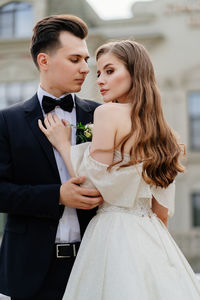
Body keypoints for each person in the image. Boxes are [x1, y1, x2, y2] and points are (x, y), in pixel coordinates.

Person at [39, 40, 200, 300]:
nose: (101, 79)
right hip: (154, 239)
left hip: (112, 233)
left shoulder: (107, 113)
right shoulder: (165, 133)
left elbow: (90, 188)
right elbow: (161, 213)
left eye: (110, 71)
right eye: (99, 72)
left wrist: (62, 144)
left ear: (135, 73)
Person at [0, 14, 103, 300]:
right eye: (75, 60)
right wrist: (56, 195)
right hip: (28, 272)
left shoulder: (100, 116)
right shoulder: (7, 121)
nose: (85, 68)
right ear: (44, 61)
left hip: (94, 262)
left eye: (86, 59)